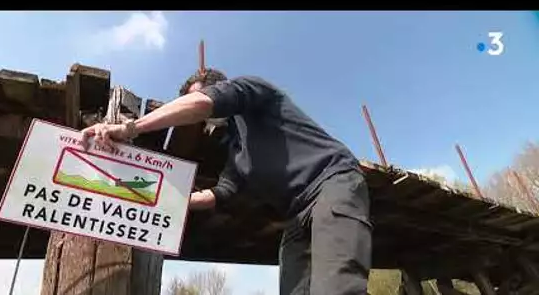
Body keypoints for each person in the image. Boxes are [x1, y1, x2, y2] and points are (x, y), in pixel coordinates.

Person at [81, 69, 372, 295]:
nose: (203, 117)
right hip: (296, 214)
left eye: (201, 96)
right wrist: (168, 201)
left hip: (332, 181)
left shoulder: (255, 91)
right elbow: (221, 193)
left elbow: (201, 103)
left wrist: (130, 128)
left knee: (336, 287)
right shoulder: (236, 152)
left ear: (221, 88)